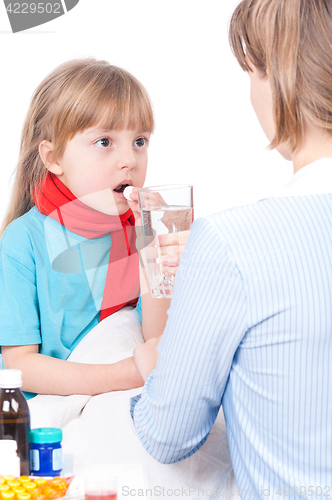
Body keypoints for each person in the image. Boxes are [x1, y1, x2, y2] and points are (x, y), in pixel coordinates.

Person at [130, 0, 332, 495]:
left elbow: (167, 433)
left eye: (252, 71)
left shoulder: (227, 242)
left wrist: (153, 363)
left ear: (278, 79)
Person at [0, 58, 171, 399]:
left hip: (125, 398)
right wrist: (126, 373)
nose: (130, 160)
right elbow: (22, 367)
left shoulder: (142, 232)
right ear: (53, 159)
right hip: (53, 412)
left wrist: (154, 248)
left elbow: (158, 344)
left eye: (139, 141)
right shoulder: (23, 241)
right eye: (105, 142)